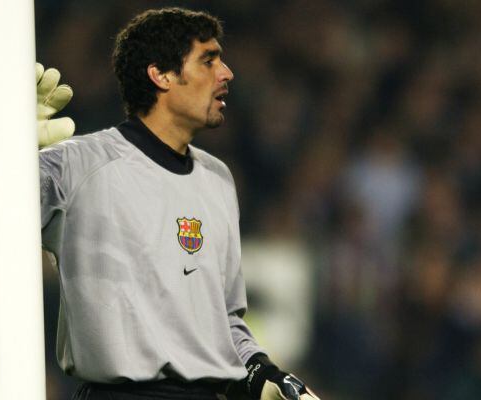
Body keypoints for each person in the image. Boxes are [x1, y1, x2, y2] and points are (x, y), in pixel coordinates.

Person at [36, 7, 319, 400]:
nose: (226, 73)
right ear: (162, 75)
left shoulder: (218, 178)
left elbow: (225, 323)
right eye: (208, 60)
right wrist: (3, 147)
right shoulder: (80, 164)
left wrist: (265, 378)